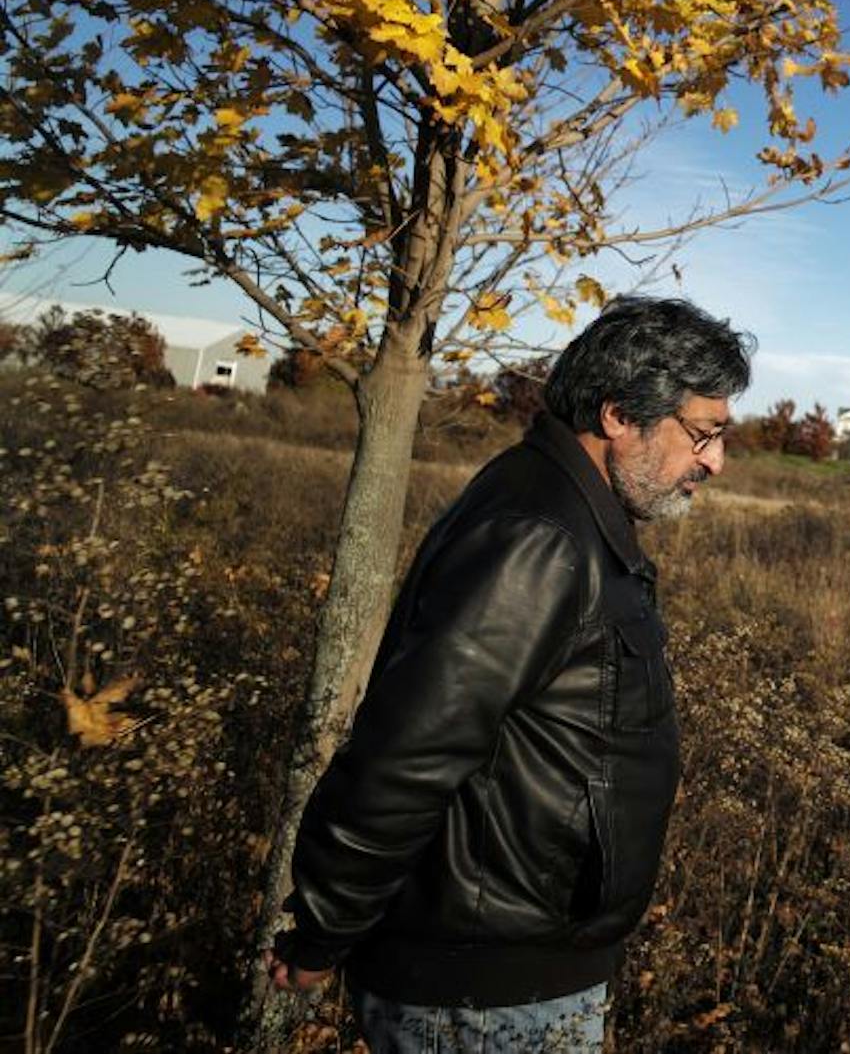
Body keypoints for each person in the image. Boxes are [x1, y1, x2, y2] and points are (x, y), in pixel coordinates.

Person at [266, 297, 750, 1050]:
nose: (715, 462)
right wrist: (324, 930)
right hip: (479, 996)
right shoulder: (541, 537)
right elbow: (408, 755)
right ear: (619, 414)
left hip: (509, 977)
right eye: (703, 433)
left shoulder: (569, 516)